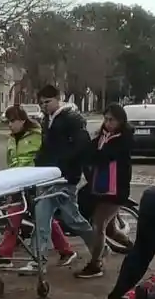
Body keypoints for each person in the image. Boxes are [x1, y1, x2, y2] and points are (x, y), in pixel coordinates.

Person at [33, 83, 106, 278]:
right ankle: (38, 262)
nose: (44, 106)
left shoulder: (72, 119)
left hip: (65, 178)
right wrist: (38, 163)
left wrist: (65, 166)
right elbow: (47, 147)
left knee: (72, 219)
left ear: (58, 99)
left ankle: (98, 249)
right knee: (41, 218)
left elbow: (82, 147)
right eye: (41, 103)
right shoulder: (48, 120)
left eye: (47, 102)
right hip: (46, 177)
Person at [0, 104, 77, 271]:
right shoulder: (12, 139)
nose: (10, 125)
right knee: (14, 218)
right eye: (7, 122)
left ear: (22, 120)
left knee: (44, 219)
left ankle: (66, 250)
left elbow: (43, 157)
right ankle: (5, 255)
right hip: (17, 184)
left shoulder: (37, 135)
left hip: (35, 183)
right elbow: (11, 161)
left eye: (12, 121)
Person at [81, 102, 135, 253]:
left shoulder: (123, 139)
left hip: (116, 190)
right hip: (100, 188)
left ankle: (96, 264)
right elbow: (89, 151)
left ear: (120, 121)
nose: (108, 123)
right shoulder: (103, 136)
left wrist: (94, 156)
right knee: (109, 229)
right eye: (106, 119)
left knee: (98, 226)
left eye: (112, 120)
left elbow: (105, 157)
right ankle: (134, 249)